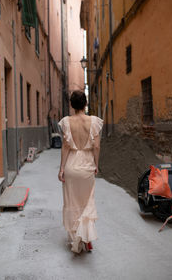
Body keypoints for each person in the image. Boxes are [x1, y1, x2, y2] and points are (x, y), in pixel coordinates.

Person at [58, 90, 103, 253]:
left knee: (72, 202)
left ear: (71, 105)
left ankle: (76, 236)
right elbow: (96, 146)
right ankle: (86, 236)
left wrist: (62, 168)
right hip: (87, 166)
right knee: (87, 202)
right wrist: (96, 164)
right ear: (85, 103)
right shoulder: (94, 122)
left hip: (71, 165)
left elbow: (65, 146)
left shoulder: (66, 122)